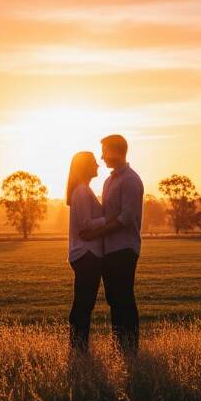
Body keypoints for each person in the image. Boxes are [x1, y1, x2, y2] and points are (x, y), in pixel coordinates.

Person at [80, 134, 143, 354]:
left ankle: (130, 350)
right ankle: (119, 349)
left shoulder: (131, 180)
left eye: (104, 151)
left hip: (124, 248)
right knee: (114, 300)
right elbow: (107, 215)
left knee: (124, 298)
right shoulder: (109, 181)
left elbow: (126, 218)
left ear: (116, 151)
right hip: (109, 250)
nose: (102, 157)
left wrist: (96, 233)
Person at [66, 151, 109, 353]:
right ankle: (78, 348)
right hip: (86, 254)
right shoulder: (82, 191)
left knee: (82, 304)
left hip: (85, 255)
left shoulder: (83, 190)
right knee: (84, 305)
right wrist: (109, 219)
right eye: (93, 163)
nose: (98, 165)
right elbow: (85, 224)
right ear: (85, 167)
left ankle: (78, 348)